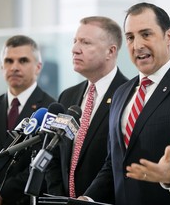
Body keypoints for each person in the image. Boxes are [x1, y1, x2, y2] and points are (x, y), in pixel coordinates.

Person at [80, 3, 170, 205]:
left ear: (169, 37)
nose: (137, 45)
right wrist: (88, 198)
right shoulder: (121, 93)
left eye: (146, 34)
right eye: (130, 37)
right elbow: (114, 163)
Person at [45, 16, 128, 203]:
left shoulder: (129, 95)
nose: (75, 49)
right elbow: (53, 155)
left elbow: (118, 161)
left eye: (85, 42)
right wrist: (61, 199)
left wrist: (88, 199)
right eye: (75, 41)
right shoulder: (67, 96)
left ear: (110, 51)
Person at [0, 35, 56, 205]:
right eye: (9, 61)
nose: (14, 67)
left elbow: (46, 164)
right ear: (2, 67)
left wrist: (2, 193)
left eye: (23, 61)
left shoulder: (50, 109)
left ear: (38, 67)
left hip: (27, 201)